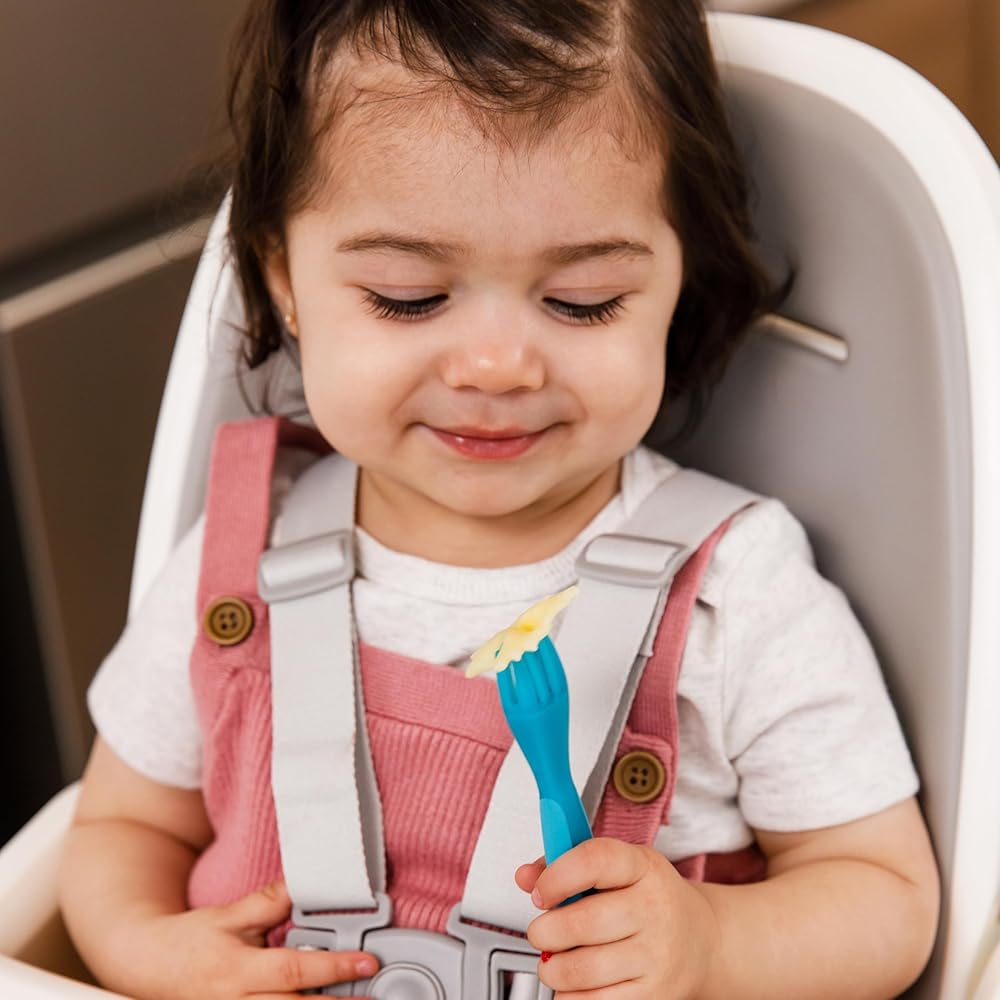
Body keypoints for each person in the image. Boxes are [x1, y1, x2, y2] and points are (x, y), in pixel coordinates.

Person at [58, 1, 939, 997]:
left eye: (582, 302)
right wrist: (150, 950)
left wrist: (711, 944)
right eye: (407, 296)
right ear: (284, 280)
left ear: (677, 281)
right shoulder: (240, 557)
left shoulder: (738, 592)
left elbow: (885, 896)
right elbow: (123, 826)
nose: (495, 365)